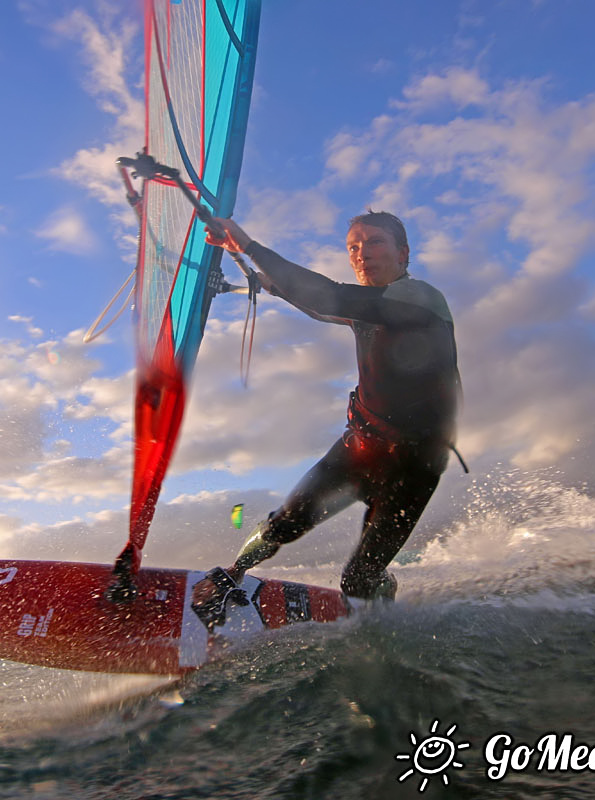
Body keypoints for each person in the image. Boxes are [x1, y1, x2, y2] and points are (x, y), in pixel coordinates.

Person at [192, 211, 461, 625]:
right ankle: (234, 573)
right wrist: (269, 284)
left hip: (415, 464)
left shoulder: (420, 298)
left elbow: (328, 296)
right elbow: (323, 310)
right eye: (353, 246)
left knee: (357, 579)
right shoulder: (371, 308)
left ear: (403, 253)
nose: (361, 254)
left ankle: (380, 591)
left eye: (374, 243)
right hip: (361, 447)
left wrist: (247, 245)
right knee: (284, 523)